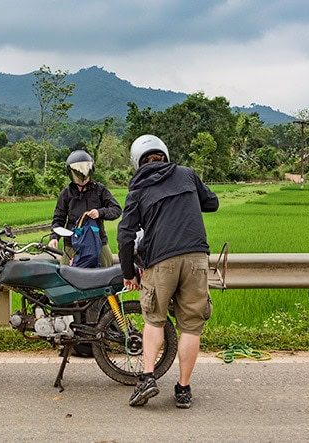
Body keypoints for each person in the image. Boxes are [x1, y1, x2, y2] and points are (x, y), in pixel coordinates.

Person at [117, 134, 219, 409]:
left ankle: (148, 378)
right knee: (191, 326)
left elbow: (125, 233)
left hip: (161, 260)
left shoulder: (137, 189)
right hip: (197, 257)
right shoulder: (187, 174)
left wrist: (128, 272)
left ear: (137, 161)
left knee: (154, 320)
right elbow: (213, 203)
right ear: (164, 154)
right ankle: (183, 389)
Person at [49, 149, 122, 267]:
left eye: (84, 170)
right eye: (77, 172)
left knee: (106, 271)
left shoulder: (100, 190)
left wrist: (100, 212)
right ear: (70, 173)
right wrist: (54, 238)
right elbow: (59, 219)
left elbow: (116, 209)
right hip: (72, 243)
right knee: (66, 275)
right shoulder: (66, 194)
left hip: (97, 240)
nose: (81, 176)